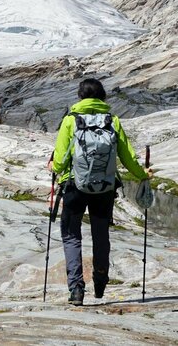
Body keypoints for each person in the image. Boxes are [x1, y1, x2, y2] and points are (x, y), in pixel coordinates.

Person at [50, 78, 151, 306]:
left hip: (75, 187)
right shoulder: (112, 121)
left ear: (80, 97)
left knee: (71, 234)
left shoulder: (70, 121)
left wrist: (52, 167)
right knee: (100, 235)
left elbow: (59, 161)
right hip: (104, 189)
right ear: (103, 97)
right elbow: (127, 157)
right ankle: (100, 282)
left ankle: (76, 289)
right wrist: (142, 175)